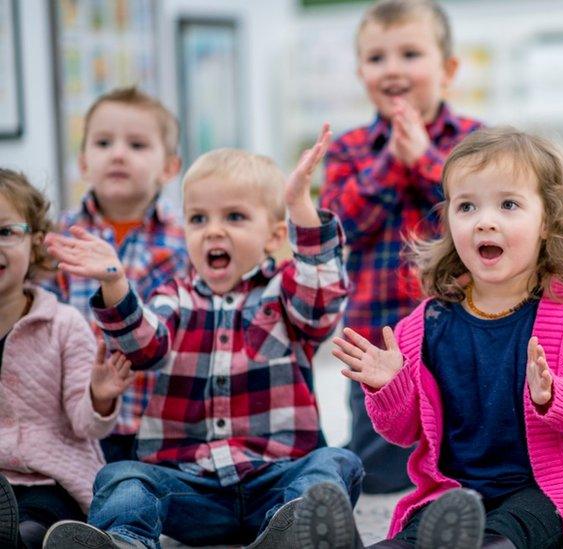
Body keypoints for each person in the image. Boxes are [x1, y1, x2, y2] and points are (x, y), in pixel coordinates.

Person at [42, 127, 363, 549]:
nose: (212, 231)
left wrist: (299, 206)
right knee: (120, 475)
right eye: (198, 218)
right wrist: (115, 281)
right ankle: (124, 541)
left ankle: (299, 532)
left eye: (234, 217)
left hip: (277, 479)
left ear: (272, 236)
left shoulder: (285, 293)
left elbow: (321, 301)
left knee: (335, 462)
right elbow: (143, 345)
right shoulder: (172, 298)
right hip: (190, 488)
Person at [318, 128, 563, 549]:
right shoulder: (426, 324)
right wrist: (390, 387)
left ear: (547, 222)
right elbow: (402, 432)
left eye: (509, 204)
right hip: (452, 494)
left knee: (521, 524)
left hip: (540, 492)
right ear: (448, 222)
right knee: (417, 534)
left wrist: (555, 396)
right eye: (467, 206)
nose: (485, 220)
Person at [319, 0, 483, 494]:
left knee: (465, 451)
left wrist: (430, 164)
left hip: (463, 332)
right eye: (376, 58)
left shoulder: (475, 143)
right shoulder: (349, 149)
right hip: (377, 338)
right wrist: (391, 163)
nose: (392, 69)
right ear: (360, 72)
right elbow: (336, 229)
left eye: (410, 54)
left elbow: (485, 221)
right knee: (377, 468)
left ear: (447, 69)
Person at [42, 86, 188, 464]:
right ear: (84, 162)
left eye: (137, 145)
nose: (119, 154)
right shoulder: (61, 238)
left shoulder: (186, 241)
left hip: (162, 422)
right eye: (104, 142)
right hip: (77, 418)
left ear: (170, 167)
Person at [0, 169, 132, 548]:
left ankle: (25, 539)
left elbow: (86, 424)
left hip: (51, 476)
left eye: (5, 232)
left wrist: (99, 395)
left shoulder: (63, 324)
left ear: (36, 243)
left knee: (41, 518)